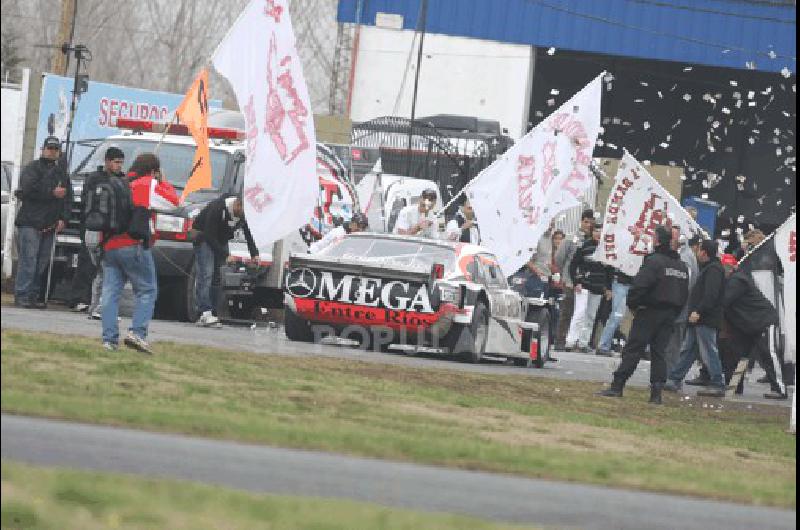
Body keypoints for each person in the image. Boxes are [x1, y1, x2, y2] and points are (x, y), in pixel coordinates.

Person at [598, 226, 689, 404]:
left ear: (658, 241)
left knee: (633, 350)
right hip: (669, 314)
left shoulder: (654, 262)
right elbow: (684, 295)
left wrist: (634, 305)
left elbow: (639, 286)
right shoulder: (681, 266)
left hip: (649, 311)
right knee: (659, 353)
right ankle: (656, 393)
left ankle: (618, 385)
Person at [100, 153, 178, 352]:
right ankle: (137, 333)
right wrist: (163, 181)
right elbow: (173, 202)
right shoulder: (146, 183)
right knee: (147, 290)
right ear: (153, 171)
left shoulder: (120, 183)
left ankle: (109, 340)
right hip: (132, 244)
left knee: (110, 294)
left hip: (110, 244)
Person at [14, 136, 71, 309]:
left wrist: (64, 218)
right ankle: (22, 294)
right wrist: (51, 192)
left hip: (50, 224)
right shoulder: (32, 168)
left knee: (42, 262)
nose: (52, 151)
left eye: (56, 149)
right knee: (28, 261)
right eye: (50, 148)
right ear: (43, 148)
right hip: (30, 222)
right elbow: (27, 190)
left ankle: (34, 295)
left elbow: (68, 198)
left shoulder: (62, 173)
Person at [664, 240, 727, 397]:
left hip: (705, 318)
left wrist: (698, 311)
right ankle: (674, 378)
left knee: (708, 350)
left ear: (704, 252)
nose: (696, 253)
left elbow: (710, 295)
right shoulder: (710, 268)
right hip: (699, 318)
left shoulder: (713, 270)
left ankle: (717, 383)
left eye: (699, 250)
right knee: (689, 349)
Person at [68, 147, 125, 313]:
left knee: (106, 268)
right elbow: (90, 200)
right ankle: (79, 299)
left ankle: (100, 301)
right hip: (93, 225)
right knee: (86, 263)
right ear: (107, 161)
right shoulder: (94, 178)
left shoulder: (122, 180)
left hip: (112, 229)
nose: (119, 166)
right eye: (116, 162)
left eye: (121, 163)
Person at [191, 195, 260, 327]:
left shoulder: (242, 215)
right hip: (204, 237)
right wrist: (226, 254)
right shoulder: (217, 208)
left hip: (221, 239)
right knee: (206, 274)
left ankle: (213, 312)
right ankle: (203, 312)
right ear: (237, 205)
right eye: (244, 211)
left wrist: (254, 254)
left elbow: (248, 234)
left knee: (217, 277)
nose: (245, 216)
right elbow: (209, 235)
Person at [715, 254, 779, 395]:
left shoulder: (736, 281)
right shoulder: (738, 279)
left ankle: (779, 389)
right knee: (739, 355)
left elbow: (724, 302)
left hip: (761, 321)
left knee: (768, 355)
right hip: (750, 324)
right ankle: (735, 387)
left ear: (729, 269)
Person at [565, 222, 611, 353]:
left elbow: (609, 271)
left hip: (597, 287)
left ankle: (583, 343)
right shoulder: (584, 246)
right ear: (592, 232)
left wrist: (607, 288)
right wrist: (576, 282)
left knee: (590, 316)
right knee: (579, 312)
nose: (598, 234)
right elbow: (573, 265)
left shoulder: (607, 249)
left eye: (600, 231)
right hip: (583, 285)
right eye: (596, 231)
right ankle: (570, 341)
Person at [553, 209, 595, 350]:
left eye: (591, 223)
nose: (588, 225)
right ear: (581, 221)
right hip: (570, 281)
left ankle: (579, 341)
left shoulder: (593, 241)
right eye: (586, 222)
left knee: (584, 313)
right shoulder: (571, 238)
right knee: (567, 311)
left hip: (586, 283)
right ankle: (560, 340)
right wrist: (565, 274)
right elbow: (559, 258)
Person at [665, 233, 701, 376]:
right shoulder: (689, 256)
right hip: (682, 306)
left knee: (672, 345)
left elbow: (685, 283)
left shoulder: (686, 257)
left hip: (679, 308)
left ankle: (669, 376)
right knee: (675, 344)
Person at [595, 267, 633, 357]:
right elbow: (609, 268)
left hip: (626, 283)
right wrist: (608, 287)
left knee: (618, 316)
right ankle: (603, 345)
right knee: (616, 316)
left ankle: (604, 345)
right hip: (621, 283)